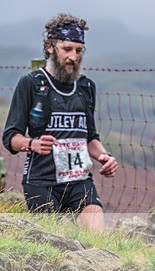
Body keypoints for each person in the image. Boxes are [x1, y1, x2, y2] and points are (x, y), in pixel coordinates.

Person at [2, 13, 117, 231]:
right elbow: (10, 137)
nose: (73, 56)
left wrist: (104, 156)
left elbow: (89, 137)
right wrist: (32, 143)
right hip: (41, 182)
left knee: (96, 240)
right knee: (56, 243)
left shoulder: (86, 87)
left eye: (79, 50)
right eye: (67, 49)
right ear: (50, 47)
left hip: (79, 181)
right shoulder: (31, 83)